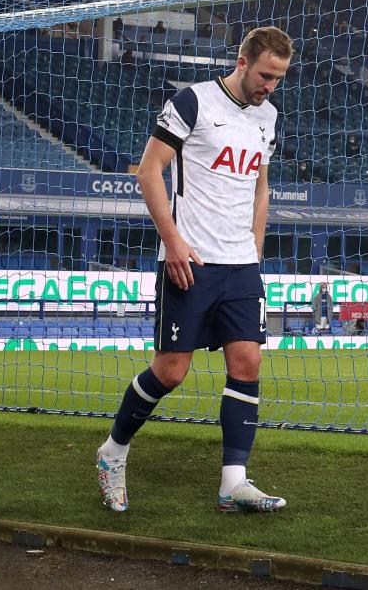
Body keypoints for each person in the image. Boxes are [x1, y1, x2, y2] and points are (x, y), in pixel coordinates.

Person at [95, 26, 293, 514]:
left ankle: (233, 482)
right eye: (266, 75)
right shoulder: (192, 102)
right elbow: (148, 171)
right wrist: (174, 243)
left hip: (241, 264)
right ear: (243, 62)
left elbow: (260, 188)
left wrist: (256, 247)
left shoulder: (268, 116)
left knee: (248, 363)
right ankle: (112, 452)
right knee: (172, 371)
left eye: (280, 78)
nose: (271, 86)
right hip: (192, 260)